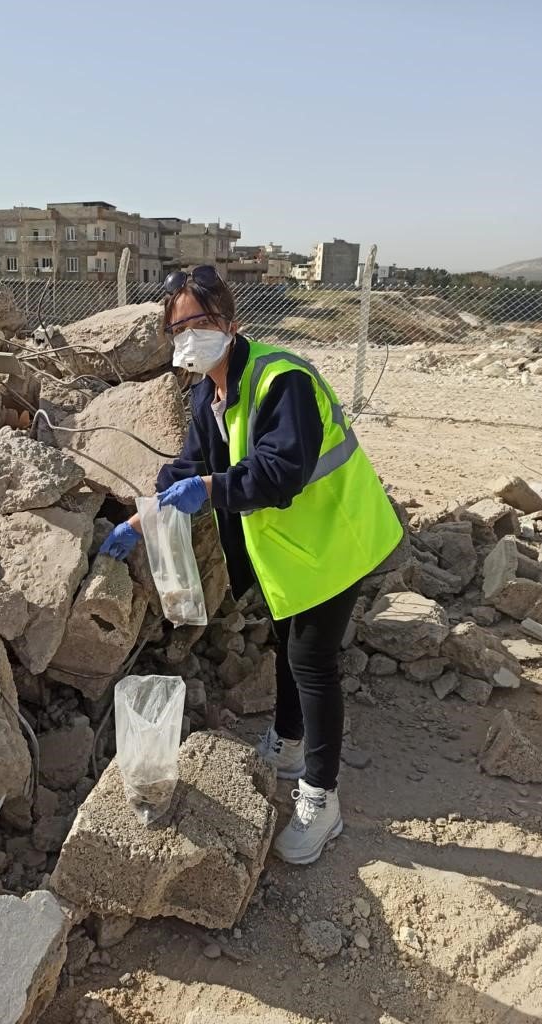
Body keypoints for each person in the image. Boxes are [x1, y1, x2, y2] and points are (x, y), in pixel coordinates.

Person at [100, 265, 402, 865]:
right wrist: (142, 519)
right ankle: (288, 746)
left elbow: (279, 472)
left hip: (337, 539)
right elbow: (191, 466)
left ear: (231, 323)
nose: (189, 335)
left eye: (201, 322)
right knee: (288, 645)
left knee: (311, 661)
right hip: (294, 550)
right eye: (178, 326)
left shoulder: (279, 380)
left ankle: (321, 799)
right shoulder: (208, 393)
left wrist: (209, 490)